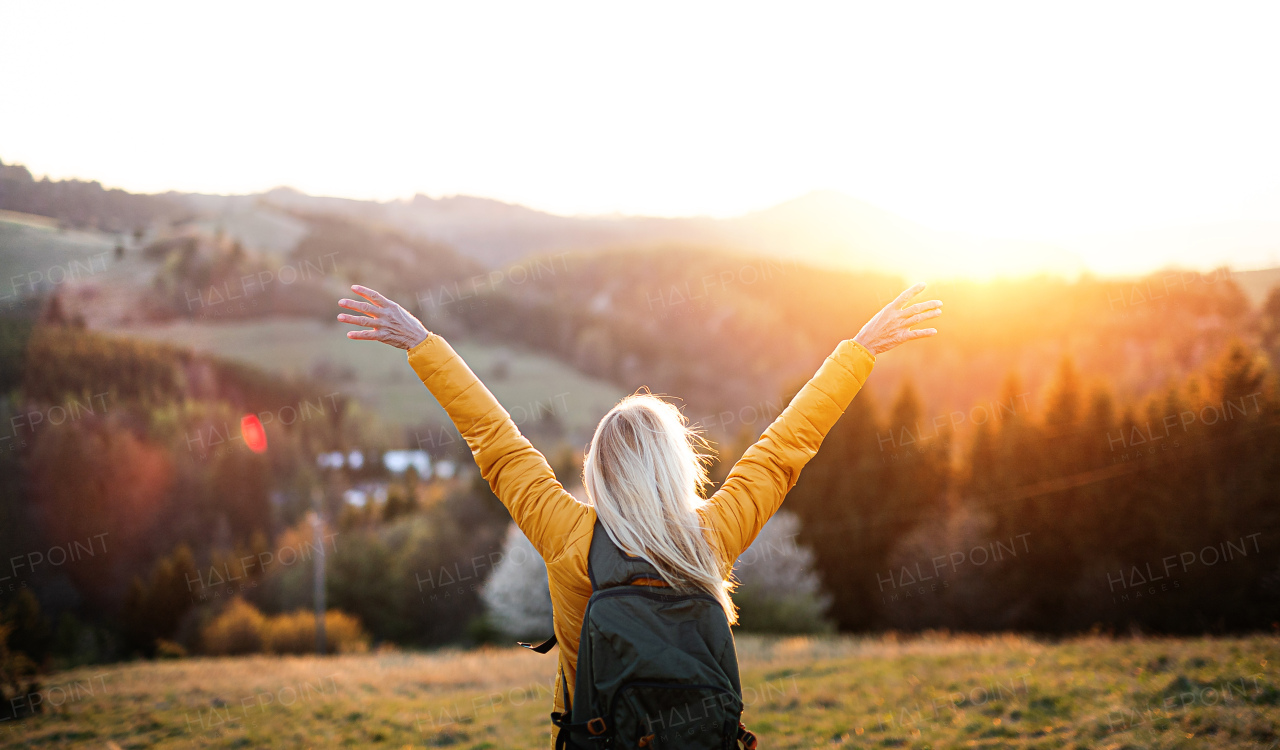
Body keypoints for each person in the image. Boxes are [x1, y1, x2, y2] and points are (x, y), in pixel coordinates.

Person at [338, 281, 941, 745]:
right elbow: (785, 448)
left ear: (599, 470)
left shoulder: (568, 537)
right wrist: (860, 350)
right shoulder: (710, 537)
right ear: (676, 467)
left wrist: (422, 343)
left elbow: (497, 444)